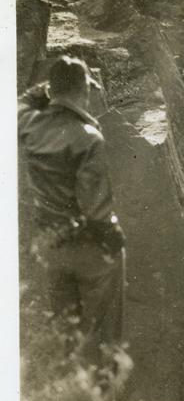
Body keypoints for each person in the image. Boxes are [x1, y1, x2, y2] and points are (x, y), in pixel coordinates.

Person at [18, 55, 126, 363]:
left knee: (65, 329)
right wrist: (113, 239)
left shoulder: (28, 125)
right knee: (104, 333)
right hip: (88, 248)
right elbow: (97, 210)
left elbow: (18, 103)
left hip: (50, 245)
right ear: (84, 91)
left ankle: (69, 399)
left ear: (52, 91)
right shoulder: (88, 138)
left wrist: (47, 89)